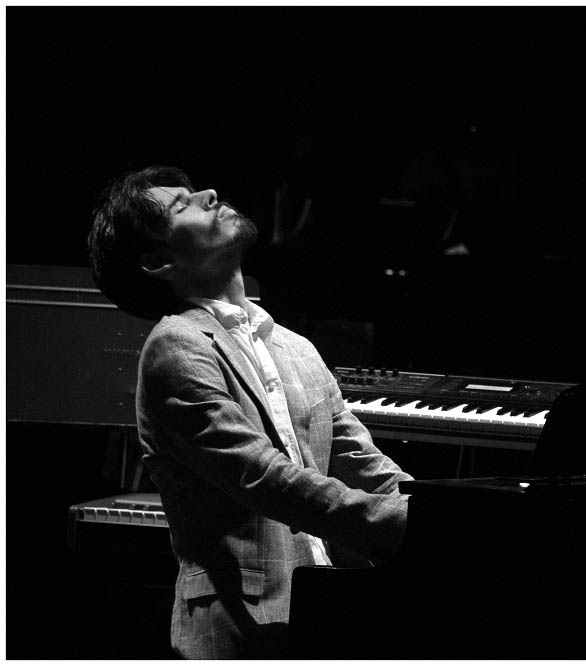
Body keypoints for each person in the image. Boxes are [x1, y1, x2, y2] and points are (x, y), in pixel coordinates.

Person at [87, 165, 412, 658]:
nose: (210, 193)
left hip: (334, 608)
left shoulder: (296, 347)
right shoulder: (175, 345)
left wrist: (440, 513)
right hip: (244, 625)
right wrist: (404, 525)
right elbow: (263, 477)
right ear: (156, 261)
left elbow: (363, 464)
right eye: (182, 204)